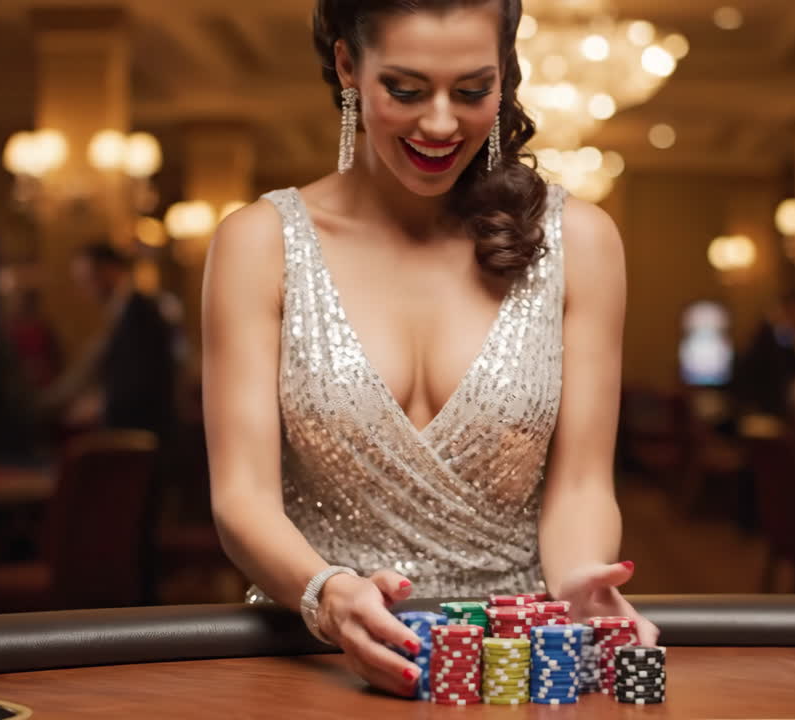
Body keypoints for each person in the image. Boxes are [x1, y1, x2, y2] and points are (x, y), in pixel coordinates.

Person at [202, 0, 658, 698]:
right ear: (349, 66)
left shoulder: (583, 243)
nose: (442, 123)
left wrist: (577, 590)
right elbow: (242, 497)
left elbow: (582, 487)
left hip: (510, 670)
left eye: (473, 90)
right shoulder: (258, 244)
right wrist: (327, 593)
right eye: (406, 90)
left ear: (505, 75)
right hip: (312, 669)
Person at [41, 243, 175, 437]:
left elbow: (143, 381)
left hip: (145, 435)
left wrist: (101, 404)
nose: (85, 289)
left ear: (110, 269)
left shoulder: (141, 312)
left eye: (88, 279)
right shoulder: (124, 310)